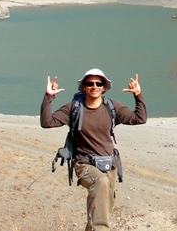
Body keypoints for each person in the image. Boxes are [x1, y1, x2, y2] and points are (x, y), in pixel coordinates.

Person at [41, 69, 147, 231]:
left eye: (99, 83)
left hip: (109, 164)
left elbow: (139, 119)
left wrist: (138, 95)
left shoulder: (112, 107)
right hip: (84, 164)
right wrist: (49, 97)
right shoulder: (74, 108)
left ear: (104, 87)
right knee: (100, 184)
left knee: (103, 206)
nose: (94, 86)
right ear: (83, 87)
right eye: (90, 83)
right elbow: (47, 122)